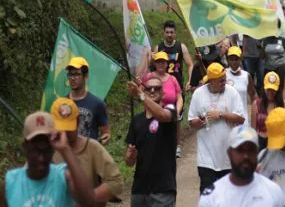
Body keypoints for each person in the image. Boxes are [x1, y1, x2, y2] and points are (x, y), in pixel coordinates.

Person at [3, 111, 95, 206]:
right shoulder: (11, 184)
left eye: (46, 150)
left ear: (53, 150)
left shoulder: (63, 178)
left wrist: (65, 149)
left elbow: (89, 202)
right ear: (25, 147)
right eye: (35, 150)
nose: (41, 158)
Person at [51, 97, 123, 205]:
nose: (65, 133)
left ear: (78, 122)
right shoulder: (49, 150)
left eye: (68, 127)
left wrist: (90, 197)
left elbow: (116, 183)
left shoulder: (92, 148)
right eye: (61, 128)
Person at [188, 63, 246, 193]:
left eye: (225, 78)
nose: (224, 82)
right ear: (211, 81)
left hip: (228, 159)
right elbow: (191, 122)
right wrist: (203, 120)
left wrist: (221, 114)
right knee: (208, 198)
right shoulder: (198, 94)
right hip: (206, 159)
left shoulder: (232, 92)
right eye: (221, 80)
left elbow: (241, 119)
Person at [198, 125, 285, 207]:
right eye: (240, 150)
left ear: (257, 152)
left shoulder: (274, 192)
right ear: (229, 153)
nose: (246, 156)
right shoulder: (211, 198)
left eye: (251, 150)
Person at [126, 76, 179, 206]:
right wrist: (130, 156)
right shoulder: (136, 120)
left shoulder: (170, 110)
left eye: (157, 88)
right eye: (149, 88)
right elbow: (129, 162)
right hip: (139, 190)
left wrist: (141, 94)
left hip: (163, 189)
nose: (153, 90)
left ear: (163, 93)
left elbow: (162, 115)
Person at [65, 57, 110, 144]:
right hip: (68, 154)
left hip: (88, 154)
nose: (73, 78)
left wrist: (105, 139)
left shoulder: (97, 104)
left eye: (77, 74)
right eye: (70, 74)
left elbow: (106, 132)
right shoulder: (62, 103)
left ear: (85, 76)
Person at [154, 20, 194, 91]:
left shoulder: (181, 47)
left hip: (178, 86)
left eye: (171, 32)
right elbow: (153, 67)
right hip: (162, 86)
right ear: (164, 33)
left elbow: (190, 64)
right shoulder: (158, 48)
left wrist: (190, 80)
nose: (169, 35)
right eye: (167, 32)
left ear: (175, 33)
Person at [251, 72, 285, 150]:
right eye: (268, 89)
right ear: (264, 88)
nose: (270, 92)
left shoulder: (283, 104)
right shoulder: (256, 104)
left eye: (273, 90)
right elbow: (253, 129)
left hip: (277, 143)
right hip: (260, 143)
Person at [226, 46, 256, 122]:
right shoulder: (224, 74)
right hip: (227, 118)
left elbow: (253, 96)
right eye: (231, 59)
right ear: (228, 60)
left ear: (241, 59)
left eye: (236, 59)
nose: (233, 62)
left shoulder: (246, 76)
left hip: (243, 118)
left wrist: (254, 115)